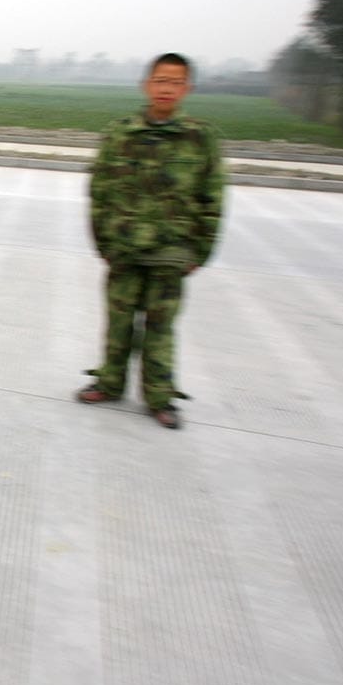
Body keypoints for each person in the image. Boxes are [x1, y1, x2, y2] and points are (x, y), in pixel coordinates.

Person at [76, 52, 225, 429]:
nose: (167, 88)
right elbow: (100, 190)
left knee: (161, 327)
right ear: (147, 85)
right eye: (160, 80)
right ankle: (109, 382)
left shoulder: (200, 138)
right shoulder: (121, 133)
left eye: (176, 82)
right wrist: (104, 243)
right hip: (125, 248)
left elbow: (213, 198)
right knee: (119, 322)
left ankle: (160, 396)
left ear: (187, 89)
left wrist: (200, 251)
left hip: (171, 251)